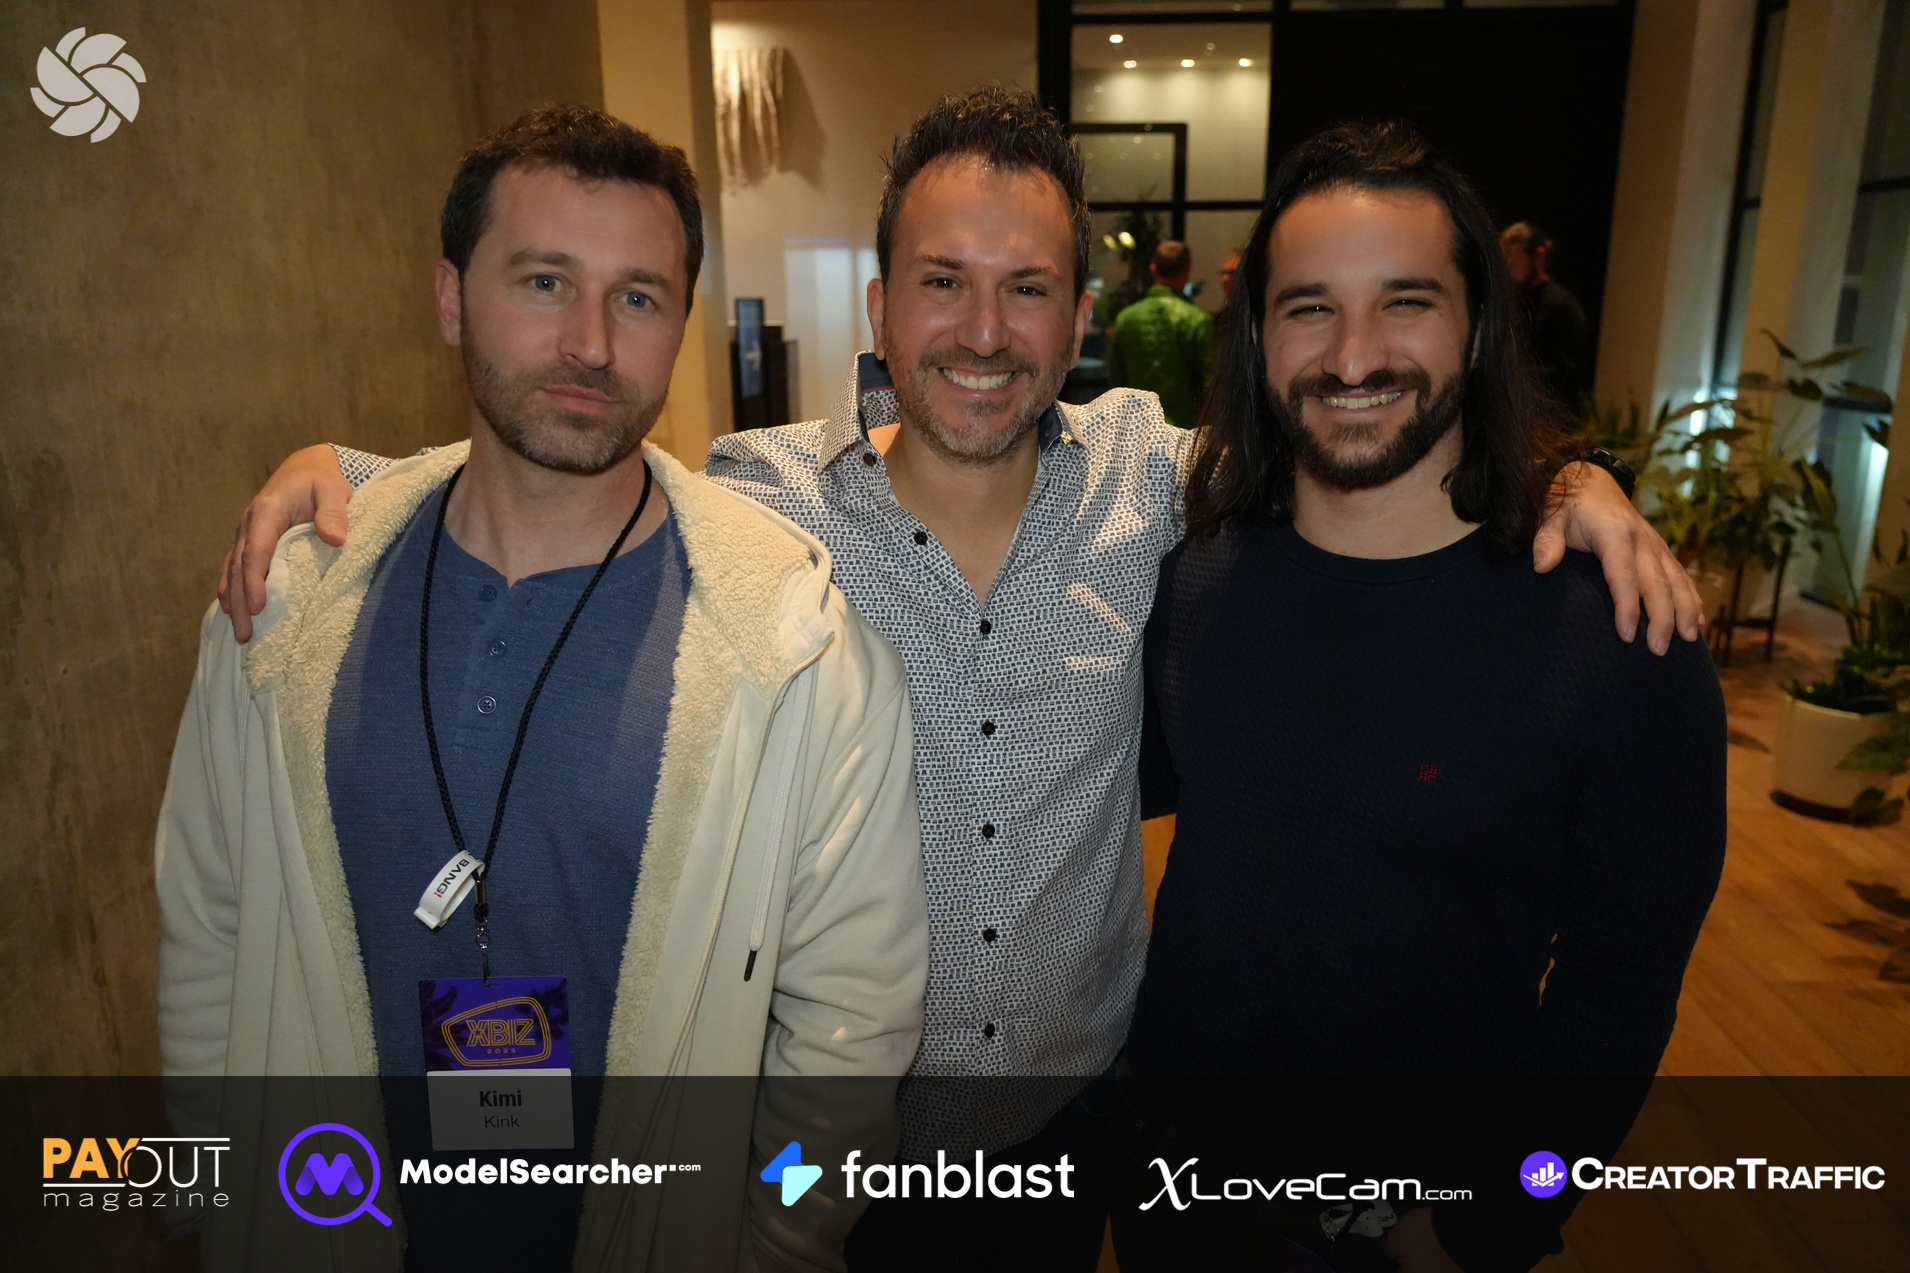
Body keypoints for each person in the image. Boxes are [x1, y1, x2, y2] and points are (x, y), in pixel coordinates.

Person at [210, 91, 1704, 1273]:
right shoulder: (757, 501)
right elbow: (558, 454)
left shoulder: (1157, 483)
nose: (983, 334)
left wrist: (1570, 482)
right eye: (942, 283)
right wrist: (347, 478)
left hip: (1071, 1126)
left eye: (1026, 288)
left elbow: (1366, 439)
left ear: (1077, 315)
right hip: (810, 1129)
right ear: (878, 307)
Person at [155, 106, 928, 1272]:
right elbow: (210, 928)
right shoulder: (280, 610)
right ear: (451, 298)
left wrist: (775, 1230)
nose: (590, 344)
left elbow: (849, 1038)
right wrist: (216, 1194)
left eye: (637, 297)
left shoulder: (797, 652)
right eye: (544, 282)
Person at [1115, 121, 1726, 1273]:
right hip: (1168, 1185)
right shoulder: (1190, 574)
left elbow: (1620, 987)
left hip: (1411, 1228)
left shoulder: (1618, 634)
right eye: (1308, 307)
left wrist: (1489, 1222)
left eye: (1404, 302)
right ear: (1256, 336)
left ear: (1477, 324)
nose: (1352, 356)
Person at [1105, 239, 1218, 428]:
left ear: (1153, 269)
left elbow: (1115, 382)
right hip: (1185, 432)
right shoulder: (1198, 320)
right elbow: (1211, 387)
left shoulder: (1126, 318)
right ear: (1187, 271)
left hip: (1137, 430)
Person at [1500, 220, 1593, 411]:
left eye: (1513, 265)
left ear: (1539, 257)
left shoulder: (1561, 305)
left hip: (1548, 414)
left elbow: (1569, 373)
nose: (1508, 274)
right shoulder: (1511, 302)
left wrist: (1516, 374)